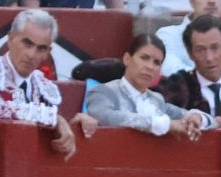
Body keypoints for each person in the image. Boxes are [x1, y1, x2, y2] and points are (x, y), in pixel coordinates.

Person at [0, 8, 94, 156]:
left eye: (41, 48)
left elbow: (54, 131)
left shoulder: (44, 88)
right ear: (11, 39)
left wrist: (77, 123)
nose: (32, 55)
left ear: (47, 52)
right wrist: (55, 118)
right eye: (27, 43)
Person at [84, 33, 212, 138]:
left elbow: (211, 122)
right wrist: (165, 124)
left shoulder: (157, 100)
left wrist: (197, 118)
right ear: (127, 59)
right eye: (144, 58)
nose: (150, 67)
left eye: (157, 62)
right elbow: (106, 117)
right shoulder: (102, 92)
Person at [157, 14, 221, 128]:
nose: (209, 58)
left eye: (215, 48)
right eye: (200, 50)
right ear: (190, 53)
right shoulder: (176, 88)